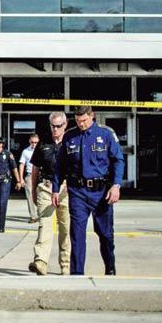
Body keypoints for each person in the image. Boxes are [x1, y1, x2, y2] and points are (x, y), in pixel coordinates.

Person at [52, 106, 124, 275]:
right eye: (78, 121)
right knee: (76, 236)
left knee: (105, 234)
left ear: (92, 116)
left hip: (101, 192)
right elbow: (60, 166)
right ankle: (77, 275)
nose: (81, 124)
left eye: (84, 120)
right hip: (78, 192)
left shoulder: (105, 135)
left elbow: (118, 160)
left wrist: (116, 185)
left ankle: (110, 269)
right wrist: (56, 189)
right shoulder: (70, 136)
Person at [28, 111, 70, 276]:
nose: (55, 129)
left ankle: (65, 265)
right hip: (45, 187)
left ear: (65, 125)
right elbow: (35, 168)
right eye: (53, 126)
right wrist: (33, 190)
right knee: (44, 225)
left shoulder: (71, 141)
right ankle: (41, 262)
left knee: (66, 228)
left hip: (66, 189)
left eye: (58, 126)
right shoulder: (43, 142)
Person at [19, 133, 40, 223]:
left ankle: (42, 214)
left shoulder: (42, 150)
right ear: (29, 141)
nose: (34, 144)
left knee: (42, 195)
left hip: (41, 175)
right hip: (30, 175)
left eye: (36, 142)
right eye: (32, 142)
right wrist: (21, 178)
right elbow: (22, 164)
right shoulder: (25, 151)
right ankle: (33, 216)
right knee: (30, 196)